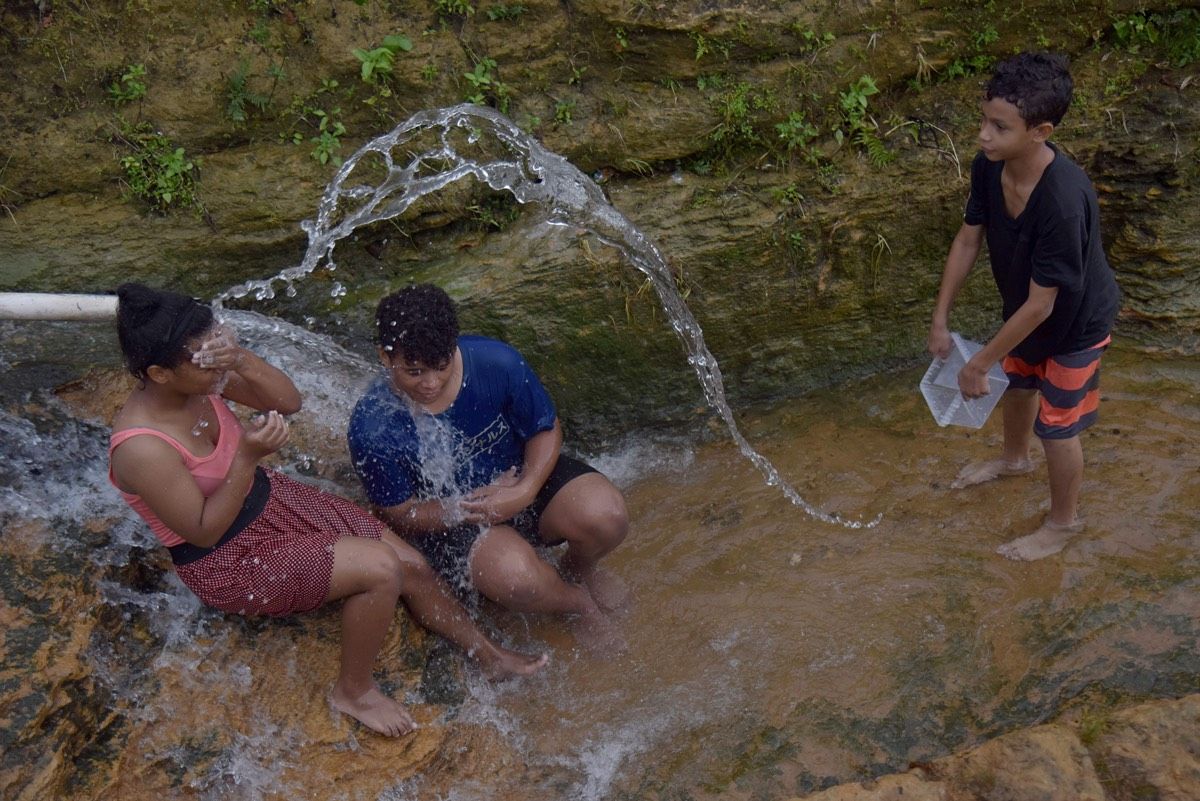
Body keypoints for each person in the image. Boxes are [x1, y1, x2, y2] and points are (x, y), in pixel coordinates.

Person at [108, 283, 546, 738]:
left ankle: (489, 657)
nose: (215, 364)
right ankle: (353, 691)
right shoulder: (142, 448)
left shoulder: (203, 380)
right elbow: (202, 531)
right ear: (159, 373)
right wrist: (244, 456)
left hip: (275, 502)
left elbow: (287, 400)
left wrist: (239, 359)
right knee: (381, 569)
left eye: (216, 350)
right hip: (228, 556)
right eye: (205, 359)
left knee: (413, 565)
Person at [347, 284, 629, 653]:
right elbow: (400, 513)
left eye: (440, 367)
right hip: (457, 520)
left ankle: (578, 567)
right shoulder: (373, 426)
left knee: (606, 515)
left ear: (454, 348)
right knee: (517, 581)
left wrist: (524, 489)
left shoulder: (497, 363)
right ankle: (576, 602)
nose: (429, 383)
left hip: (524, 480)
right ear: (386, 358)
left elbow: (544, 428)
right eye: (413, 372)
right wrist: (467, 509)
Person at [927, 52, 1121, 561]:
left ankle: (1062, 524)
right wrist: (940, 318)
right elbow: (968, 240)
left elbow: (1042, 306)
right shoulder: (990, 167)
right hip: (1027, 308)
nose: (982, 136)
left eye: (999, 126)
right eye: (984, 120)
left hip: (1076, 324)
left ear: (1040, 131)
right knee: (1017, 383)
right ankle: (1015, 461)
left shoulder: (1063, 200)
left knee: (1057, 423)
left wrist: (979, 361)